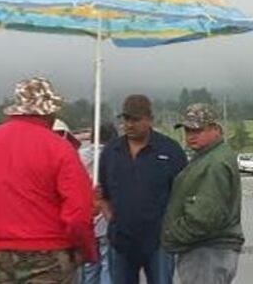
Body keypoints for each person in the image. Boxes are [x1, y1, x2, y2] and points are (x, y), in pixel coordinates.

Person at [0, 77, 97, 283]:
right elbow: (78, 213)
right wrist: (85, 250)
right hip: (47, 256)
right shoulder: (59, 147)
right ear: (49, 112)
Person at [99, 95, 187, 284]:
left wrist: (172, 230)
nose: (129, 124)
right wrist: (112, 219)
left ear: (149, 119)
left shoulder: (170, 151)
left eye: (136, 119)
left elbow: (183, 195)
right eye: (126, 119)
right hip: (121, 242)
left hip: (159, 243)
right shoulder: (111, 152)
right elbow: (103, 195)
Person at [162, 103, 244, 284]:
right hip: (208, 250)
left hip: (207, 252)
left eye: (197, 130)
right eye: (187, 130)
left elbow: (205, 217)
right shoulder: (208, 157)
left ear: (216, 129)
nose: (190, 136)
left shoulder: (214, 163)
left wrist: (170, 234)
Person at [77, 122, 119, 284]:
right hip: (106, 219)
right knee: (108, 265)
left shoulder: (79, 156)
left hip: (86, 218)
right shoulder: (114, 156)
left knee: (89, 267)